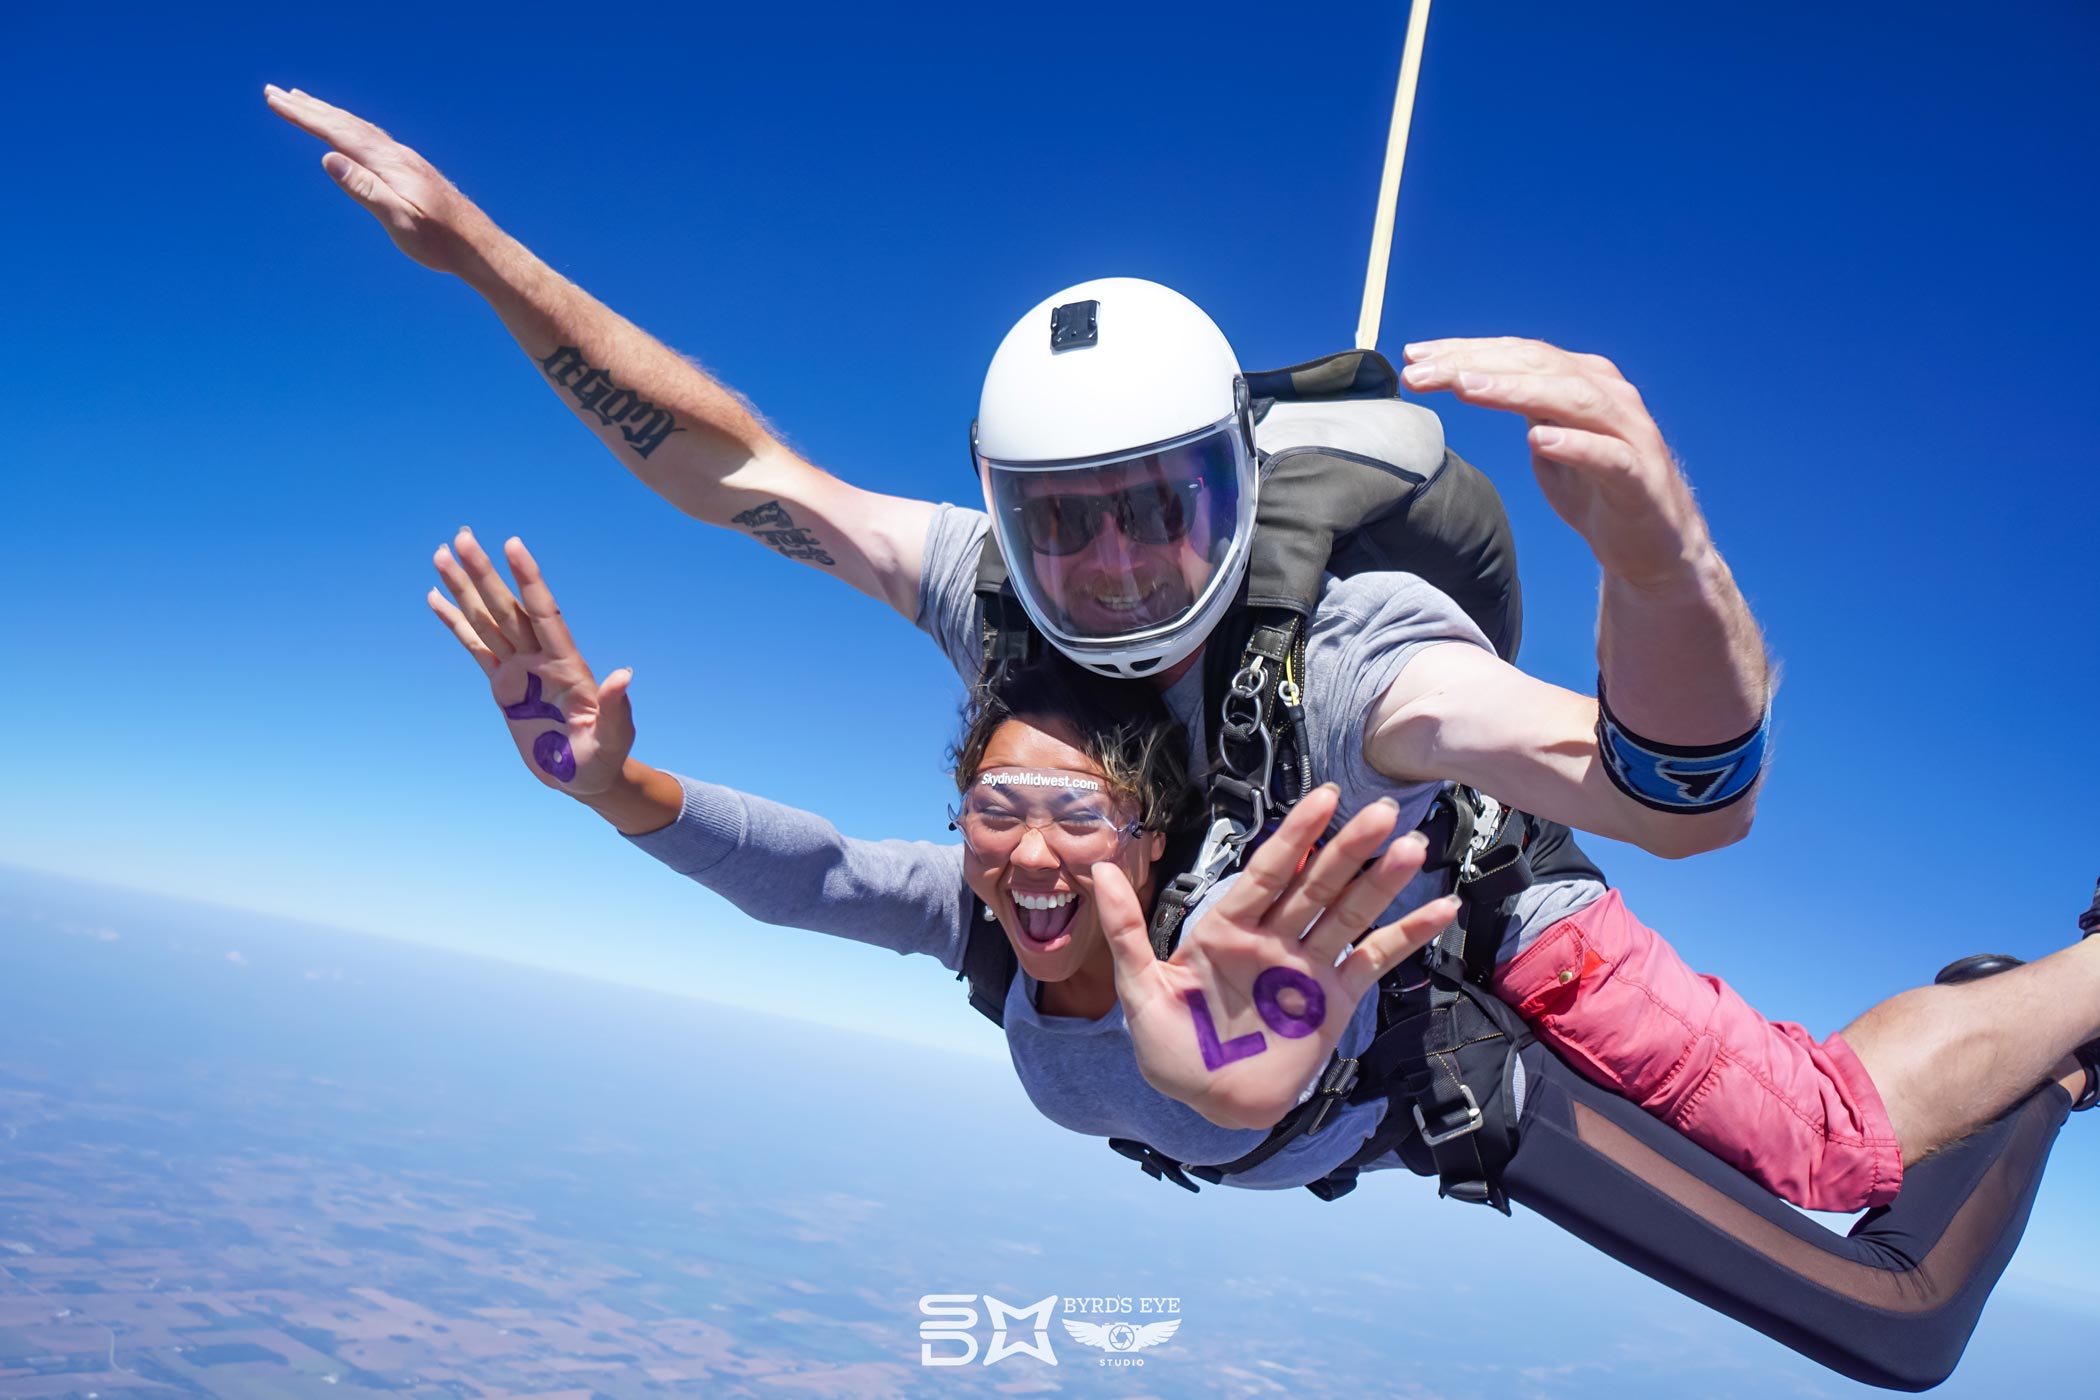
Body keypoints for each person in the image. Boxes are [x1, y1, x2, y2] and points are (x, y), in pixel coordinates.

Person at [428, 535, 2095, 1391]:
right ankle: (1993, 1008)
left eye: (1071, 814)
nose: (1024, 852)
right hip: (1356, 1096)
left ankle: (2070, 1022)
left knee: (1895, 1316)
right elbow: (797, 874)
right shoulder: (986, 921)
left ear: (1156, 839)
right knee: (1831, 1128)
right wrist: (613, 784)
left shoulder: (1253, 922)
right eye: (990, 808)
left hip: (1465, 1068)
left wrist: (1301, 1013)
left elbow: (1565, 805)